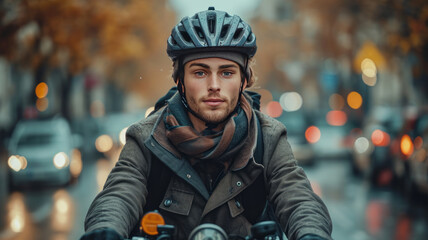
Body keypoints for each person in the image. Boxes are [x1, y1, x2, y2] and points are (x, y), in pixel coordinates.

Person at [81, 7, 333, 240]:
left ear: (244, 80)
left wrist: (311, 233)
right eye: (200, 72)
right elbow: (119, 193)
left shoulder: (268, 138)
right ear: (180, 80)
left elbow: (299, 199)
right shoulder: (147, 138)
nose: (214, 85)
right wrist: (106, 229)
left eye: (226, 72)